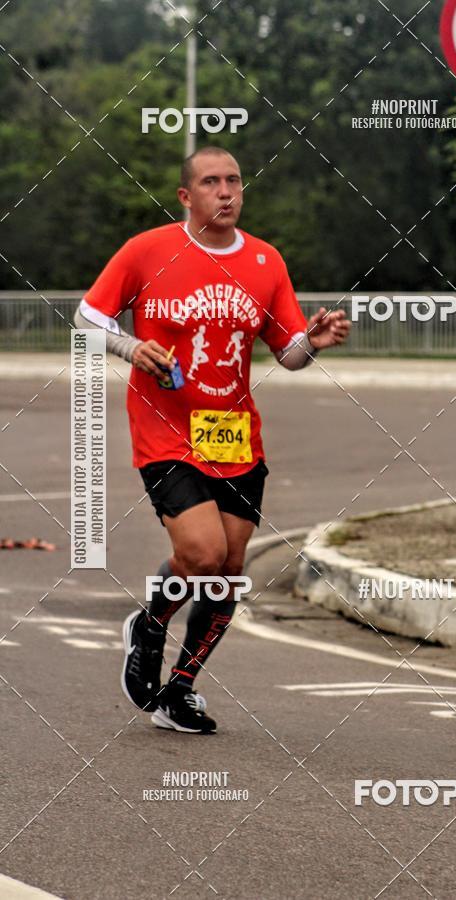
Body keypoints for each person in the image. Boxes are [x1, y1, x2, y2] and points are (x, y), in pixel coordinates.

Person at [74, 146, 350, 733]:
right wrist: (130, 347)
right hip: (166, 431)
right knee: (199, 555)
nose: (225, 192)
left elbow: (288, 351)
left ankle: (180, 689)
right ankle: (150, 625)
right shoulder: (147, 251)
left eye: (234, 182)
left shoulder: (265, 261)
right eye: (211, 183)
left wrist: (314, 343)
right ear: (186, 196)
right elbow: (87, 317)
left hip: (233, 435)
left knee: (226, 571)